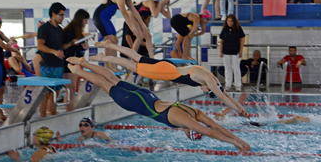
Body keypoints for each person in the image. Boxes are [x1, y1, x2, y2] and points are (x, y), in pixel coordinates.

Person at [66, 57, 251, 152]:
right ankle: (77, 69)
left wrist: (239, 140)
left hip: (149, 96)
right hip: (138, 103)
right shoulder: (186, 119)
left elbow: (215, 126)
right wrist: (235, 143)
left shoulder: (194, 111)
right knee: (105, 83)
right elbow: (211, 132)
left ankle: (85, 63)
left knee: (112, 78)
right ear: (190, 130)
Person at [93, 40, 248, 118]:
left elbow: (225, 94)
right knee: (133, 66)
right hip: (166, 72)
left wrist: (240, 108)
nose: (205, 91)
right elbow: (222, 96)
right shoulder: (209, 80)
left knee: (137, 57)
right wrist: (237, 109)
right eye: (208, 92)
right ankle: (105, 56)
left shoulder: (210, 77)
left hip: (168, 66)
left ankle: (110, 47)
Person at [93, 0, 152, 71]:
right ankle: (107, 65)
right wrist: (133, 28)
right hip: (99, 17)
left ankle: (112, 65)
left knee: (115, 41)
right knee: (110, 41)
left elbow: (135, 12)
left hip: (106, 19)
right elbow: (124, 13)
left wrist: (143, 25)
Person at [37, 2, 66, 117]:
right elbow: (40, 46)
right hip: (47, 66)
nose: (63, 18)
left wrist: (72, 43)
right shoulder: (44, 28)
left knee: (56, 93)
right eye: (61, 15)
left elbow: (61, 47)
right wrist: (54, 51)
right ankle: (42, 118)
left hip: (58, 64)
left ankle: (52, 115)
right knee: (46, 93)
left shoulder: (59, 29)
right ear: (53, 14)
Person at [62, 9, 91, 112]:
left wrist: (83, 45)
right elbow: (64, 48)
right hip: (69, 62)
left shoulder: (77, 31)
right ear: (79, 19)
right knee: (70, 89)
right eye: (85, 20)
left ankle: (70, 110)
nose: (86, 23)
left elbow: (76, 47)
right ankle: (69, 111)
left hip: (74, 61)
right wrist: (78, 46)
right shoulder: (69, 31)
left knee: (73, 88)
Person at [219, 14, 245, 92]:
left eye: (231, 21)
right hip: (226, 52)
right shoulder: (224, 29)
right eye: (228, 21)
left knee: (236, 69)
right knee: (227, 69)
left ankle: (238, 85)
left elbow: (242, 40)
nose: (230, 23)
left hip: (236, 52)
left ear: (234, 22)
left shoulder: (238, 29)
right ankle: (228, 85)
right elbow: (221, 41)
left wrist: (241, 51)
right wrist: (220, 52)